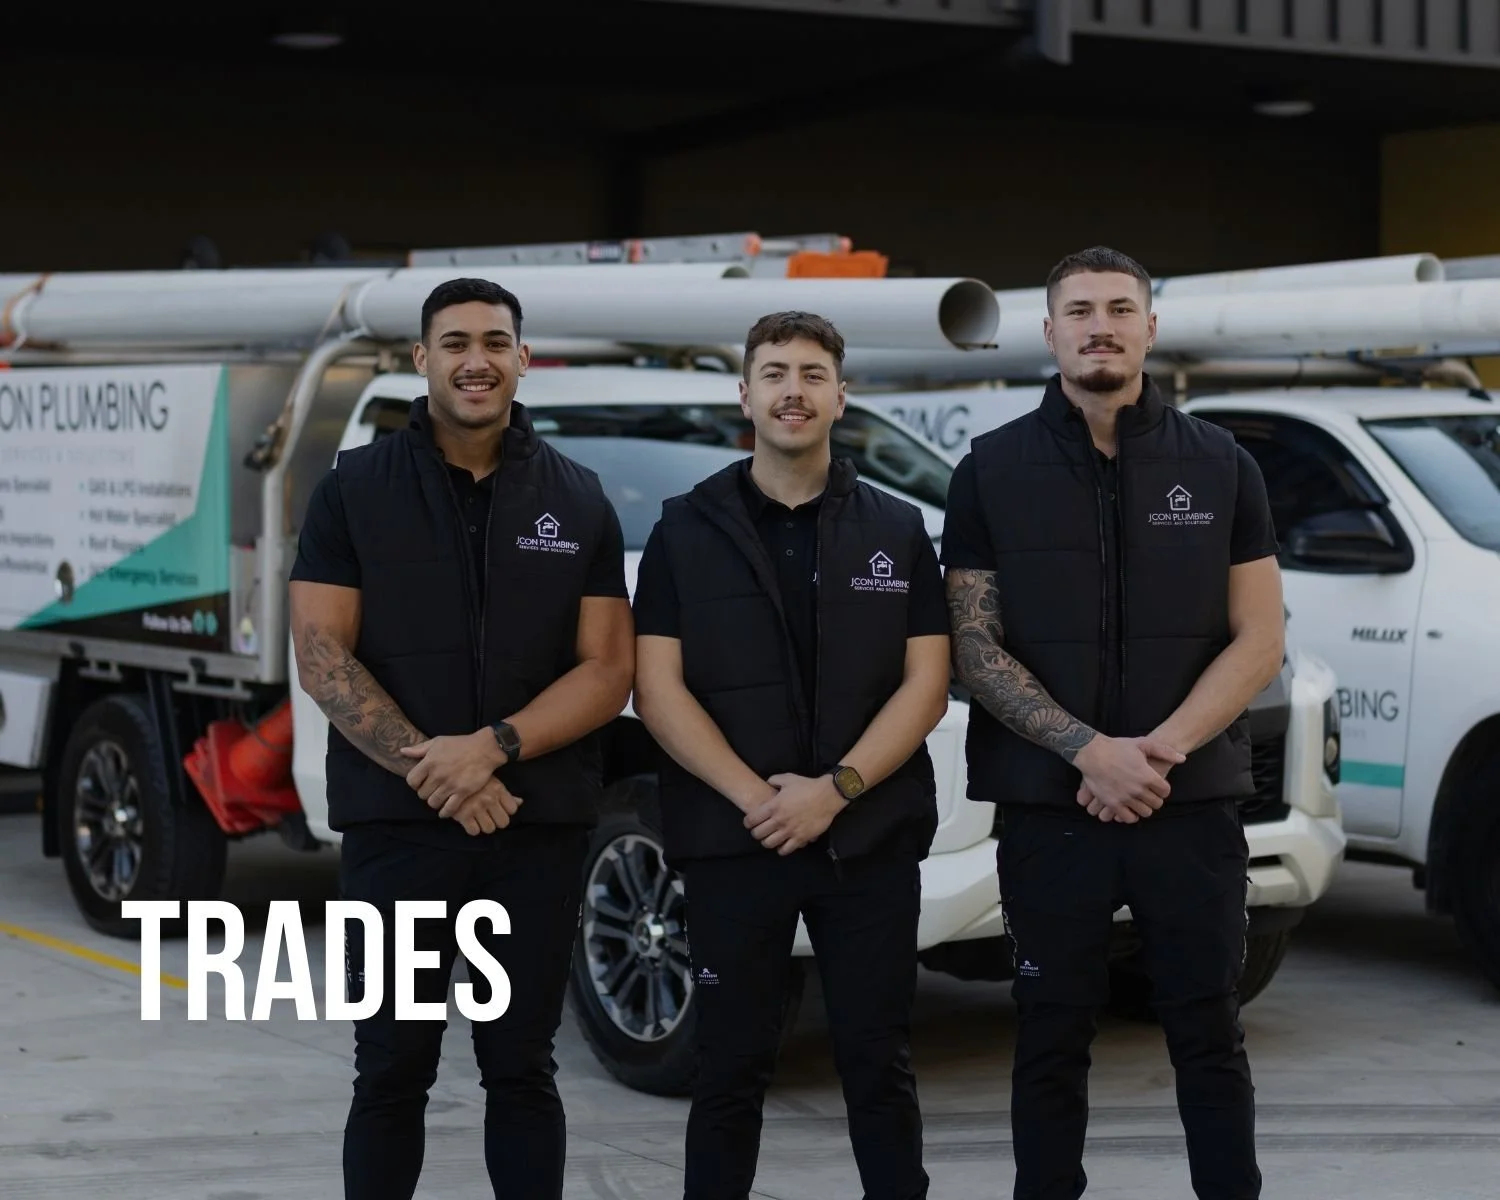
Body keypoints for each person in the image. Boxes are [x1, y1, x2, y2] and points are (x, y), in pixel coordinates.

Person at [940, 247, 1284, 1200]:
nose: (1101, 324)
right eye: (1080, 309)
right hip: (1052, 810)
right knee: (1050, 1030)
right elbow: (974, 645)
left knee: (1208, 1031)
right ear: (1049, 331)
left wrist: (1156, 753)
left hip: (1190, 804)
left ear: (1149, 329)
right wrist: (1088, 750)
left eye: (1120, 308)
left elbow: (1259, 640)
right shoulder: (991, 471)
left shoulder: (1222, 466)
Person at [287, 277, 635, 1200]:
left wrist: (493, 748)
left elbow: (607, 670)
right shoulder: (354, 490)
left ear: (523, 356)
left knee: (521, 1071)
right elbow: (322, 655)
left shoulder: (580, 498)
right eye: (453, 343)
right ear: (421, 360)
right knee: (392, 1072)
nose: (475, 360)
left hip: (535, 830)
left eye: (494, 341)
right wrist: (436, 770)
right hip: (397, 832)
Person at [631, 311, 951, 1200]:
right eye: (775, 372)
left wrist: (836, 792)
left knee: (877, 1063)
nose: (793, 390)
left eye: (813, 373)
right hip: (737, 845)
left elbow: (925, 685)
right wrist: (761, 802)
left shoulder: (897, 529)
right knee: (729, 1071)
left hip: (869, 843)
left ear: (842, 397)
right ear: (745, 394)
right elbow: (656, 690)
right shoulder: (683, 532)